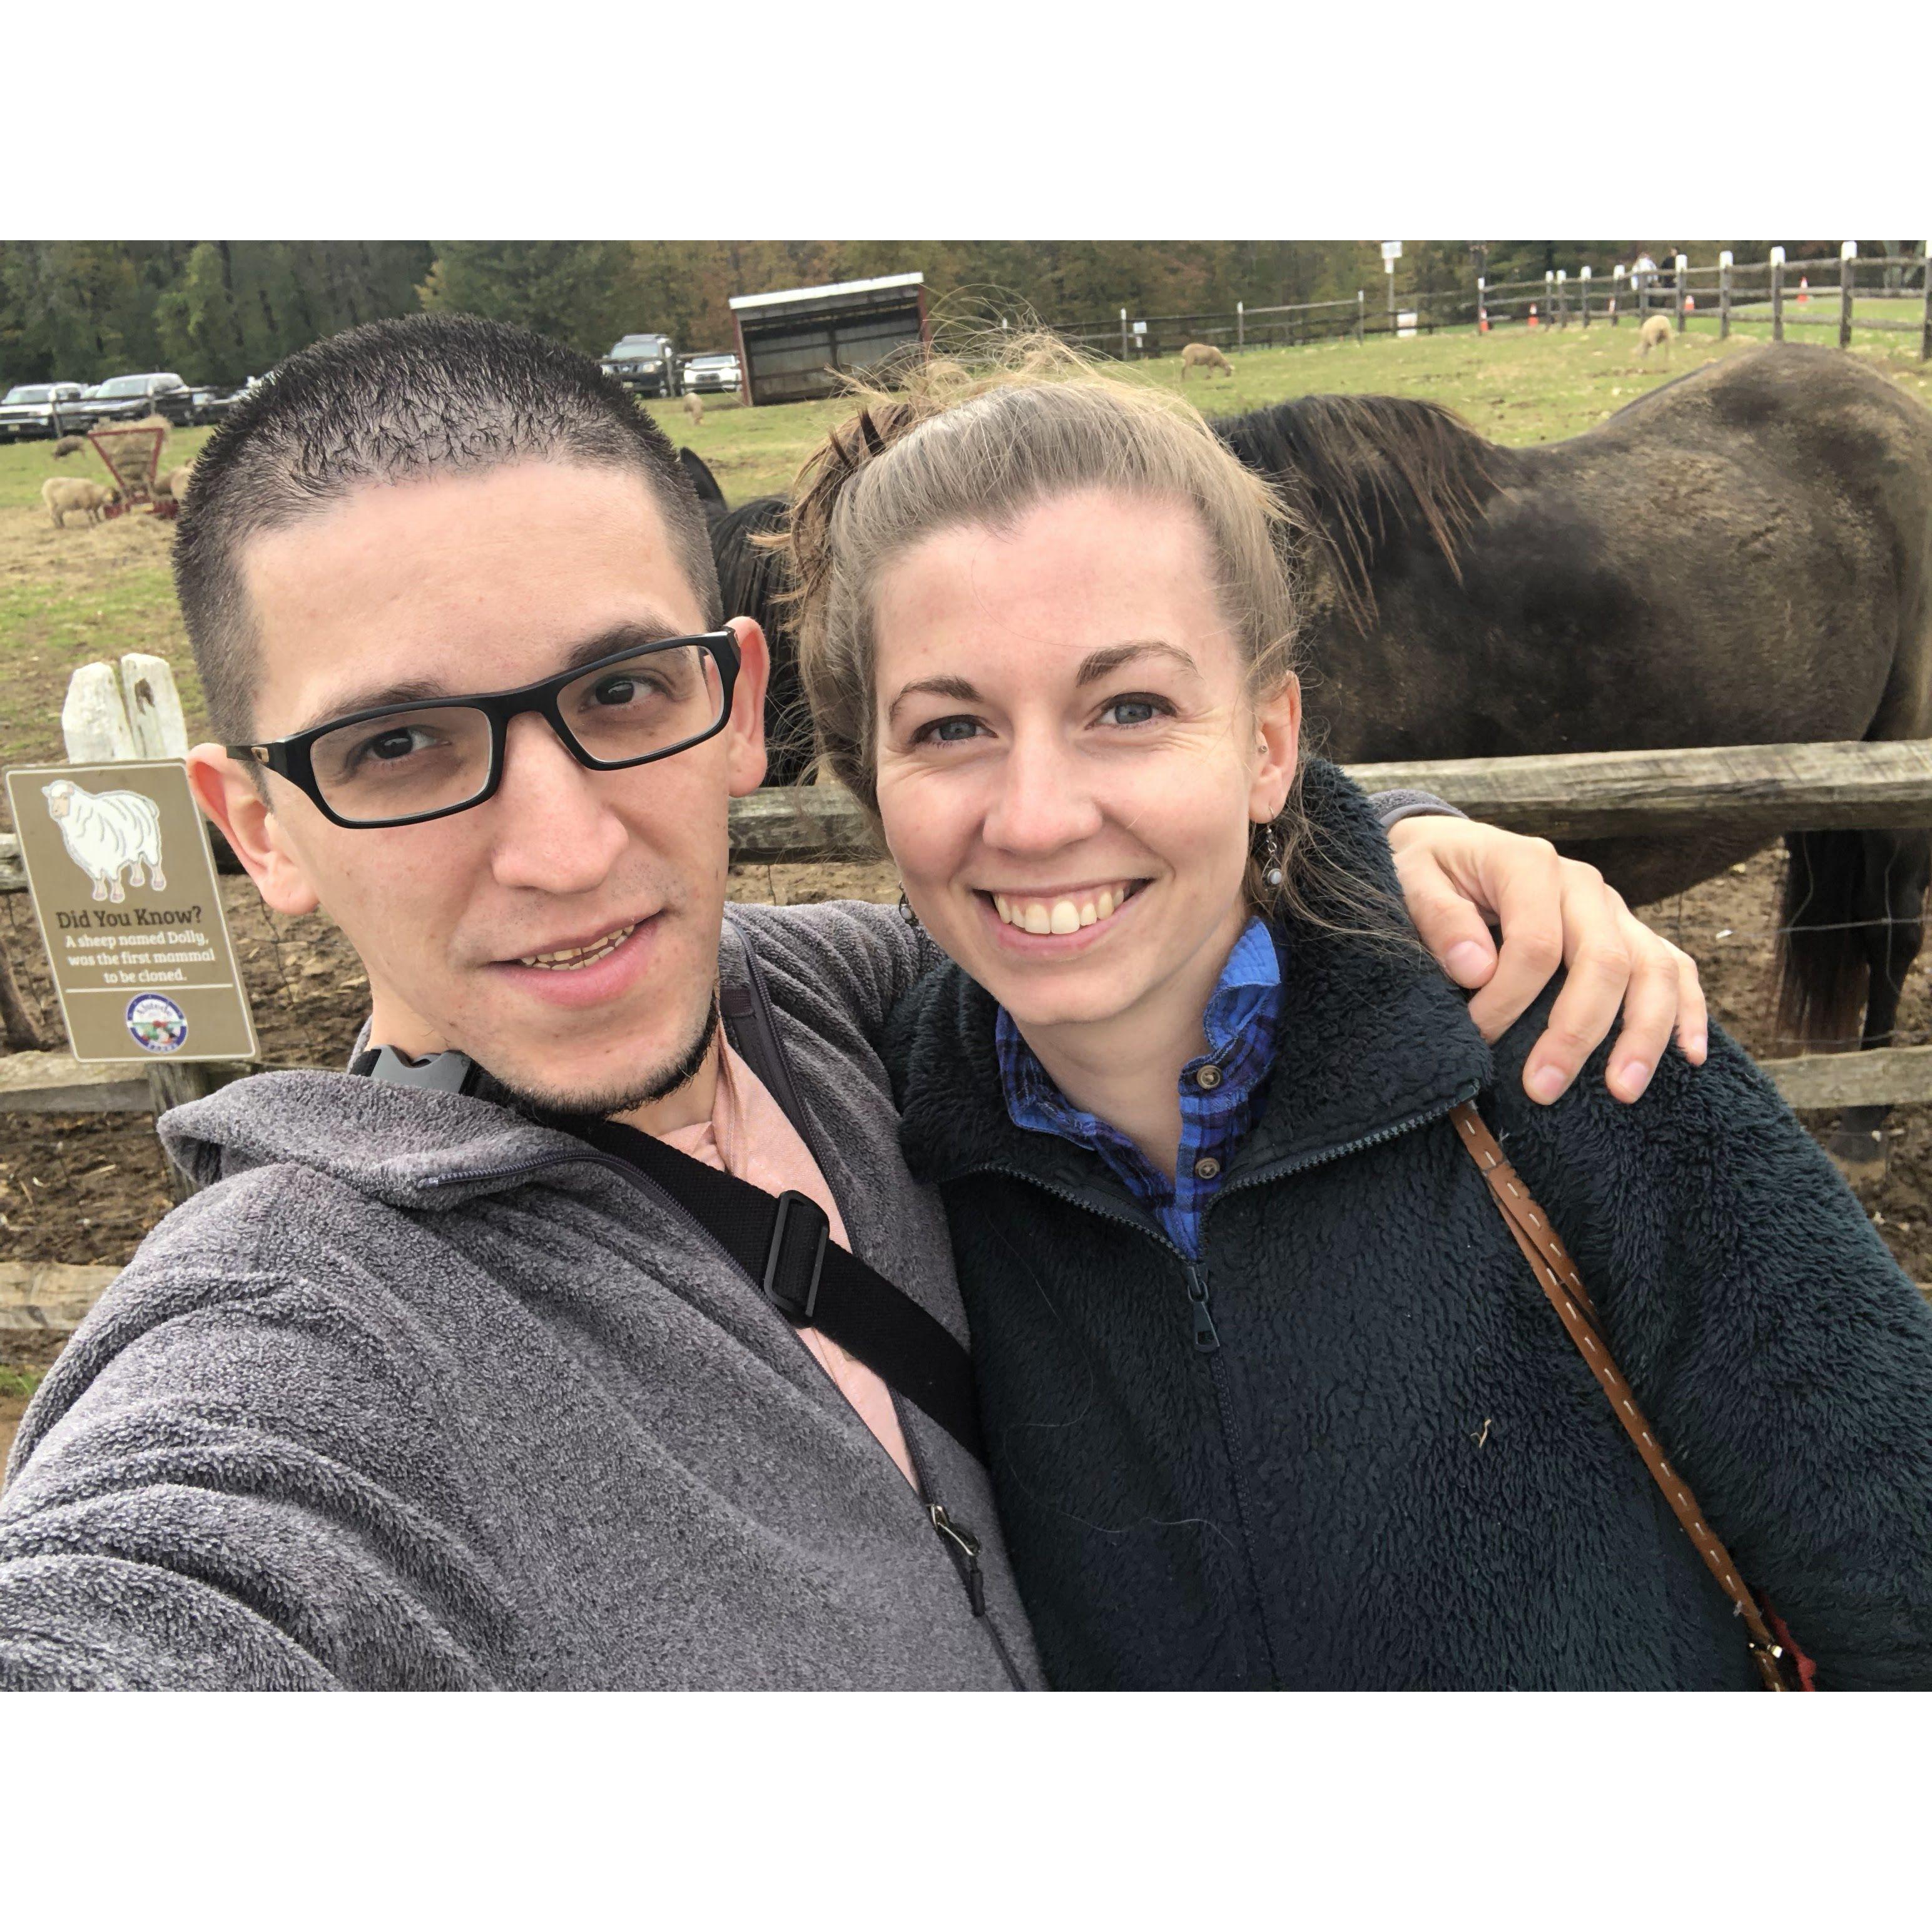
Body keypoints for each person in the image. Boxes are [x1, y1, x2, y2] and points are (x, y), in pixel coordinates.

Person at [0, 316, 1706, 1690]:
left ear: (737, 704)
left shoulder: (854, 1005)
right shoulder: (297, 1358)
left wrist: (1385, 851)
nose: (567, 846)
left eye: (618, 692)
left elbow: (1123, 881)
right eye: (397, 746)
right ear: (258, 830)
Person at [784, 346, 1932, 1690]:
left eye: (1131, 706)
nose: (1035, 814)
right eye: (947, 727)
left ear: (1271, 741)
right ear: (865, 771)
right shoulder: (891, 1170)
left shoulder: (1564, 1043)